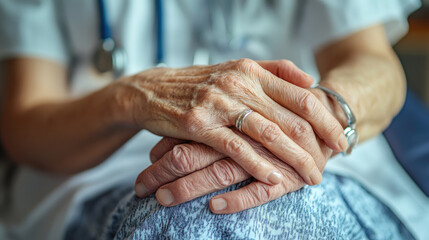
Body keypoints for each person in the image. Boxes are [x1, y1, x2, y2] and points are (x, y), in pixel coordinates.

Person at [0, 0, 427, 239]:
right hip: (101, 174)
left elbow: (374, 66)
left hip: (319, 162)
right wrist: (134, 97)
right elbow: (27, 125)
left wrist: (307, 126)